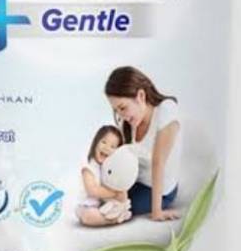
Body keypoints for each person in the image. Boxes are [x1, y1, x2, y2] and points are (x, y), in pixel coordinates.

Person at [105, 66, 181, 221]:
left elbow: (158, 162)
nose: (121, 116)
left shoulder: (166, 109)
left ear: (140, 96)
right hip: (135, 182)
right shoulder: (130, 123)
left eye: (122, 108)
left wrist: (156, 212)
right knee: (102, 196)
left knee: (115, 208)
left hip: (159, 191)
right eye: (116, 110)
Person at [76, 125, 131, 226]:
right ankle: (114, 219)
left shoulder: (106, 168)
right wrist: (115, 194)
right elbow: (92, 190)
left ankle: (118, 213)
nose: (106, 148)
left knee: (121, 197)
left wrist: (121, 194)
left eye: (112, 147)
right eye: (104, 142)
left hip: (101, 205)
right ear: (96, 142)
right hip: (85, 206)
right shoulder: (88, 167)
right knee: (89, 216)